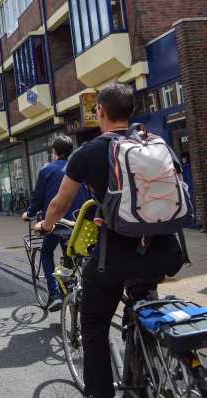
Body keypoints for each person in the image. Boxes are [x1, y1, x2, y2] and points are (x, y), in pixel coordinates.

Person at [35, 82, 184, 398]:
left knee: (94, 325)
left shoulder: (88, 153)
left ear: (99, 112)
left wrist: (46, 226)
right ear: (131, 112)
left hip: (114, 259)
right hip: (165, 251)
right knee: (144, 302)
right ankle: (145, 372)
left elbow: (59, 204)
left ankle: (100, 393)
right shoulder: (157, 145)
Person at [22, 135, 89, 312]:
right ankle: (75, 286)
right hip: (78, 222)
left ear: (54, 152)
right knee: (74, 255)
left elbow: (38, 197)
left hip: (55, 223)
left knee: (46, 251)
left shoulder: (47, 170)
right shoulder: (79, 168)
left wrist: (28, 213)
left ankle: (54, 294)